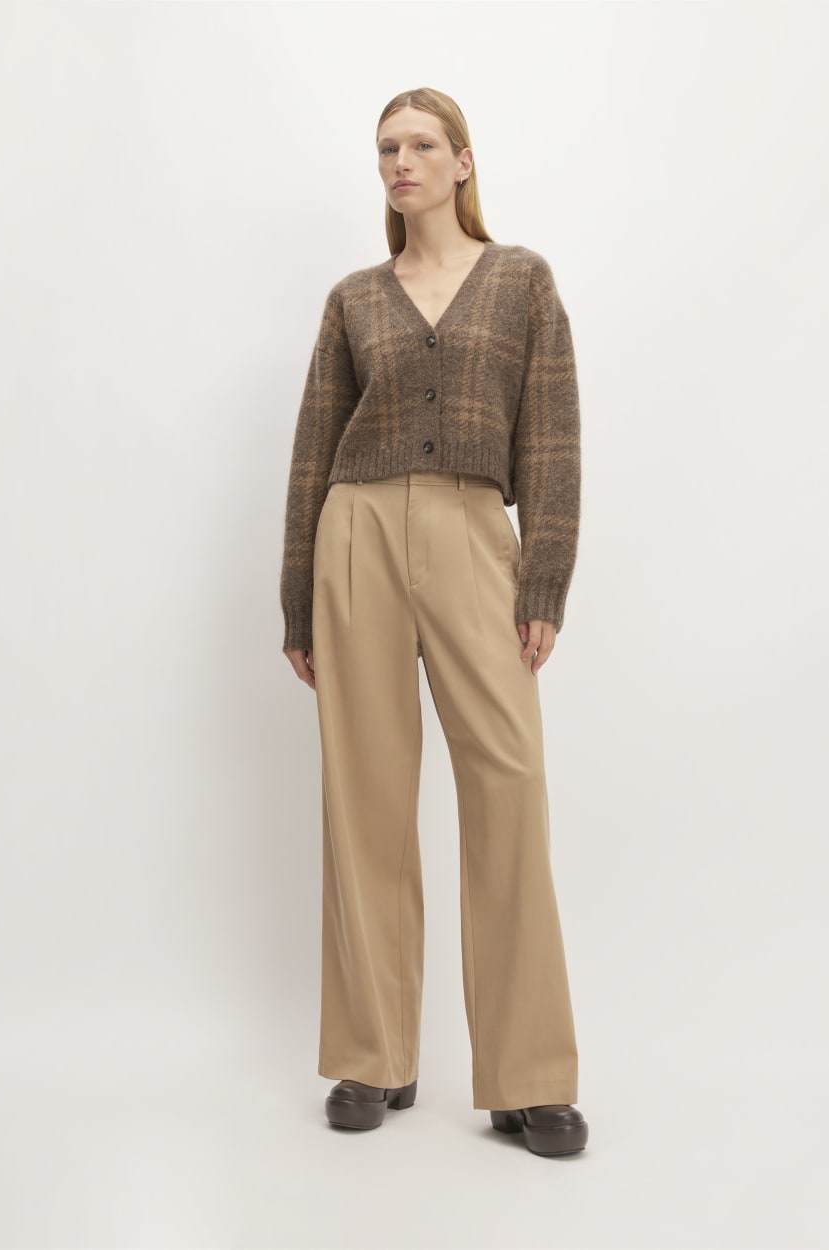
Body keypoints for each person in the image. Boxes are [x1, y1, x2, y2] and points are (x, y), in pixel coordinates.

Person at [279, 87, 587, 1158]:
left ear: (462, 161)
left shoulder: (520, 280)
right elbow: (312, 453)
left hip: (471, 532)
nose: (399, 163)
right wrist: (297, 597)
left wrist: (543, 581)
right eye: (385, 149)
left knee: (509, 783)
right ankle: (374, 1055)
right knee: (365, 793)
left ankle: (528, 1076)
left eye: (419, 145)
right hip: (355, 534)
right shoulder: (355, 299)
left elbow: (551, 436)